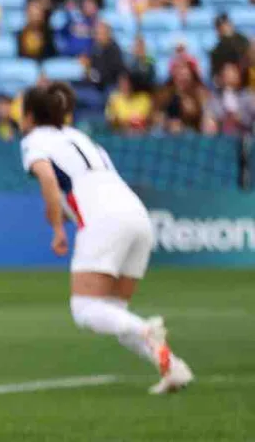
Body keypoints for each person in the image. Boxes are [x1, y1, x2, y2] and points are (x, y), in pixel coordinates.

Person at [20, 82, 192, 394]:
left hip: (103, 220)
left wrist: (57, 227)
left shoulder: (34, 139)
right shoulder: (79, 137)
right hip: (137, 215)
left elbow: (46, 175)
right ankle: (173, 368)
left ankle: (147, 330)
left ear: (30, 116)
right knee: (113, 310)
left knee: (85, 309)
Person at [208, 62, 255, 135]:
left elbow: (250, 119)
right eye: (226, 72)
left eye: (232, 72)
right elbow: (214, 115)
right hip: (222, 138)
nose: (229, 75)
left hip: (244, 138)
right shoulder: (216, 97)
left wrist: (239, 118)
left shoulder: (248, 96)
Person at [84, 21, 125, 90]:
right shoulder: (95, 48)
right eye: (97, 34)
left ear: (108, 34)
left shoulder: (114, 49)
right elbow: (93, 69)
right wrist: (87, 68)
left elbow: (111, 74)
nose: (98, 37)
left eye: (101, 34)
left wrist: (90, 72)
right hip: (97, 84)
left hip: (111, 85)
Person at [210, 13, 250, 79]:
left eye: (225, 25)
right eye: (220, 27)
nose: (223, 28)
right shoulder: (216, 51)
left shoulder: (243, 41)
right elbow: (215, 74)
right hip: (226, 84)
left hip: (246, 79)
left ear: (231, 25)